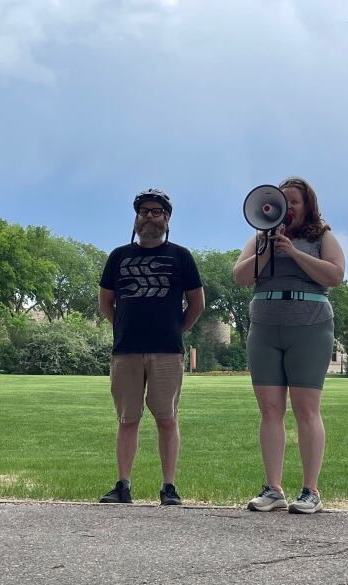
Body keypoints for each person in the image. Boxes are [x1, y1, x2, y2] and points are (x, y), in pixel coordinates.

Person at [233, 177, 345, 514]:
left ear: (307, 205)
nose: (288, 207)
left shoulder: (321, 237)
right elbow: (240, 276)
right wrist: (269, 247)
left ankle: (310, 490)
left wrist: (293, 253)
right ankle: (273, 489)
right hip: (266, 326)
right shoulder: (260, 238)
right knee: (269, 409)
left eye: (294, 201)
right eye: (283, 201)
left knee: (306, 408)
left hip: (310, 326)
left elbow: (335, 275)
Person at [98, 188, 205, 506]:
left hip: (167, 352)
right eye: (143, 211)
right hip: (126, 351)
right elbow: (106, 301)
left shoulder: (181, 257)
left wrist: (175, 329)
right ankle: (122, 485)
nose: (149, 216)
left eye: (156, 211)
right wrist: (122, 327)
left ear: (167, 218)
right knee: (127, 420)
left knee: (167, 419)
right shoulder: (119, 256)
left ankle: (168, 487)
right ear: (136, 217)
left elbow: (197, 304)